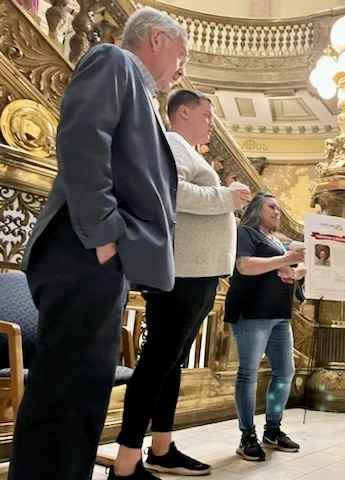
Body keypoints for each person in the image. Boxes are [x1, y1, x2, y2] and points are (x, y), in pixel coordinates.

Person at [8, 7, 187, 480]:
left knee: (83, 390)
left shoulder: (139, 88)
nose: (181, 70)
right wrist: (104, 233)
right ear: (155, 39)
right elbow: (84, 138)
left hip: (95, 254)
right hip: (82, 248)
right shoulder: (113, 60)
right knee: (66, 393)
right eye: (180, 55)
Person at [109, 90, 251, 479]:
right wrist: (228, 196)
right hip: (183, 272)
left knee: (170, 364)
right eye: (206, 115)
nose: (211, 122)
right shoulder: (172, 144)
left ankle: (162, 447)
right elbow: (172, 194)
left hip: (196, 271)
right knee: (157, 363)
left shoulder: (188, 150)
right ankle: (125, 464)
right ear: (183, 112)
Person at [224, 193, 306, 462]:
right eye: (272, 207)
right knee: (248, 373)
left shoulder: (276, 241)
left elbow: (285, 268)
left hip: (280, 314)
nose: (278, 212)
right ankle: (247, 435)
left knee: (285, 371)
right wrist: (285, 261)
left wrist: (296, 271)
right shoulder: (245, 232)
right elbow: (244, 266)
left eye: (279, 208)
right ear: (257, 209)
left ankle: (272, 430)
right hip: (252, 312)